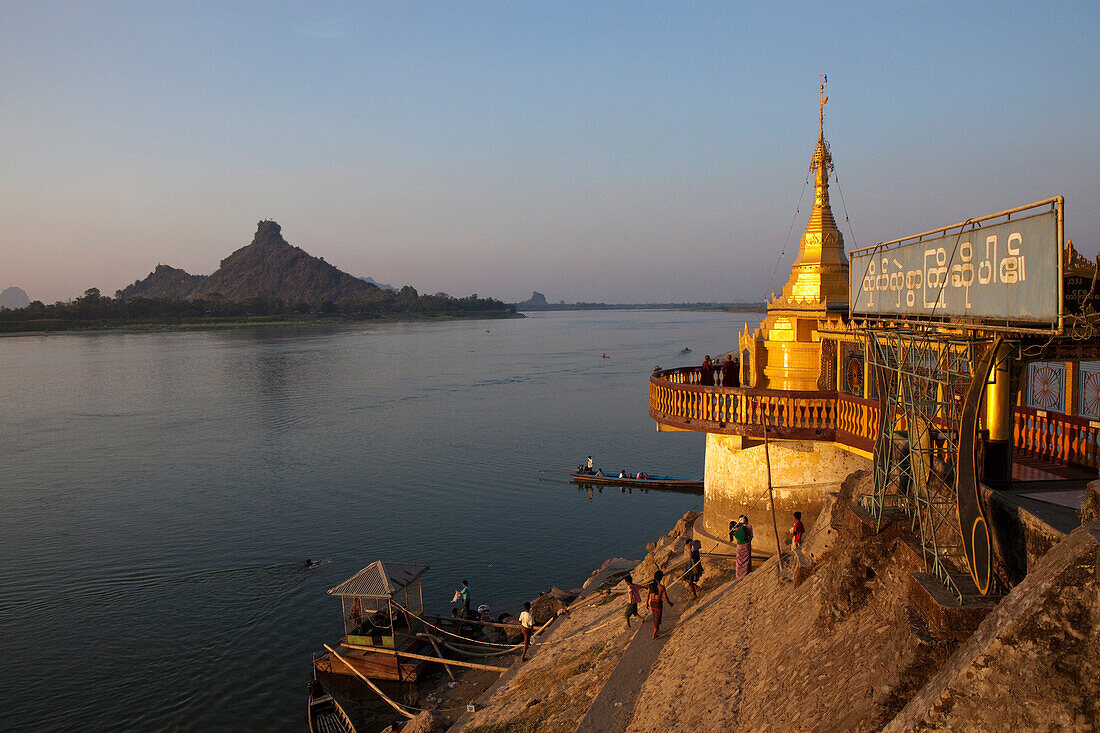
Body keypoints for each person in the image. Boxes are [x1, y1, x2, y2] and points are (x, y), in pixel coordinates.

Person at [647, 569, 673, 638]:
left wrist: (646, 603)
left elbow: (647, 595)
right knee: (657, 617)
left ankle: (657, 630)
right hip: (658, 604)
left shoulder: (651, 585)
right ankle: (654, 633)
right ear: (661, 578)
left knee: (655, 616)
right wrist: (670, 603)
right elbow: (666, 598)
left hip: (652, 603)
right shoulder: (662, 587)